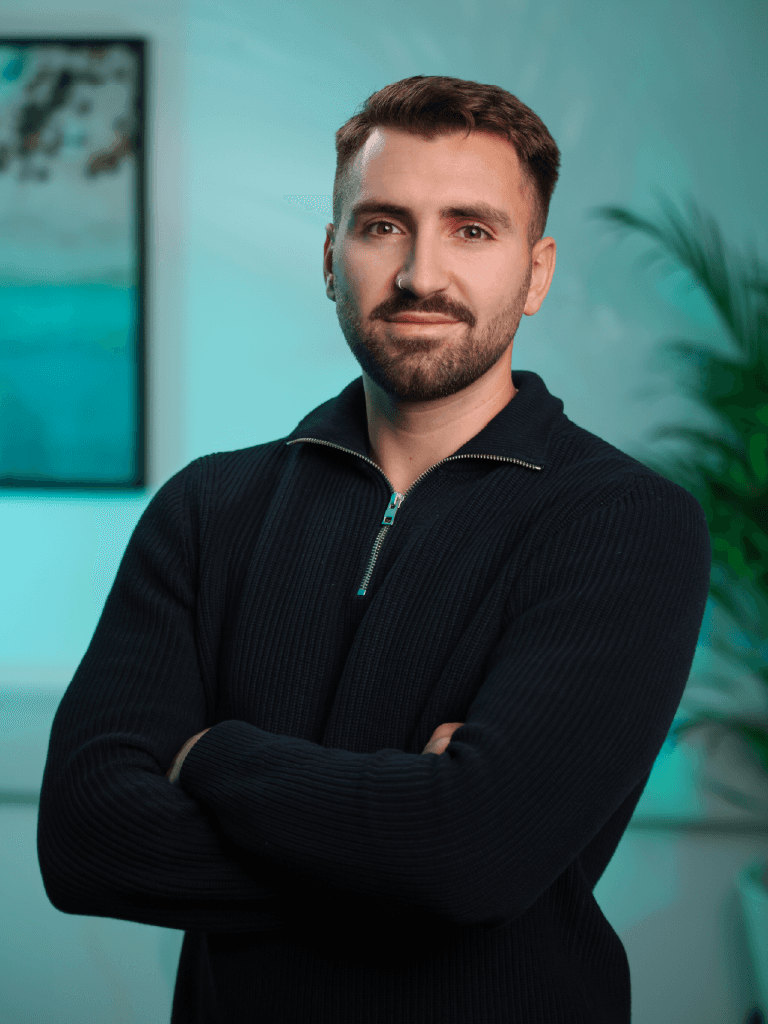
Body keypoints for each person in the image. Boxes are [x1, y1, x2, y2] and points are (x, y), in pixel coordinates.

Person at [37, 75, 712, 1023]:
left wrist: (210, 756)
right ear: (330, 254)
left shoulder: (627, 524)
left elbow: (475, 854)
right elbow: (84, 843)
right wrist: (410, 838)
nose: (420, 275)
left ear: (537, 271)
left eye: (472, 230)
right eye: (382, 225)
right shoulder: (207, 508)